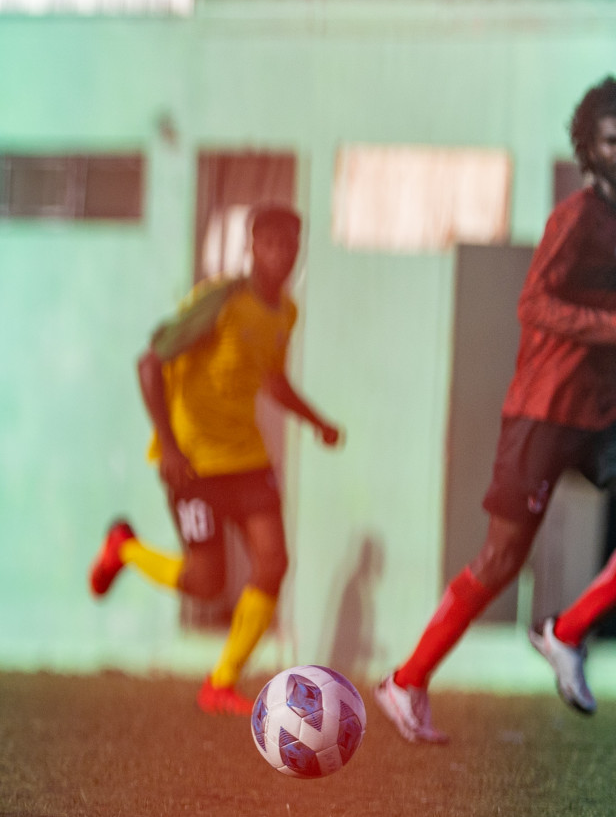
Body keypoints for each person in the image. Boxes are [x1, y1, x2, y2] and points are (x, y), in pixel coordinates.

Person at [375, 77, 616, 743]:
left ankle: (566, 633)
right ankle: (406, 681)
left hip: (599, 415)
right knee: (502, 558)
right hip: (541, 414)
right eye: (610, 140)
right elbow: (533, 304)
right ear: (590, 150)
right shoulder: (575, 219)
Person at [88, 203, 342, 714]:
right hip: (194, 463)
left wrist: (315, 421)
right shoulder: (220, 302)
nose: (282, 256)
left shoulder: (285, 312)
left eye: (291, 246)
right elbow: (149, 362)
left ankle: (220, 682)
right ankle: (125, 548)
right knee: (206, 583)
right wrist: (171, 445)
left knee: (273, 563)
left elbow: (272, 378)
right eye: (271, 244)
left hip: (246, 457)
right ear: (253, 247)